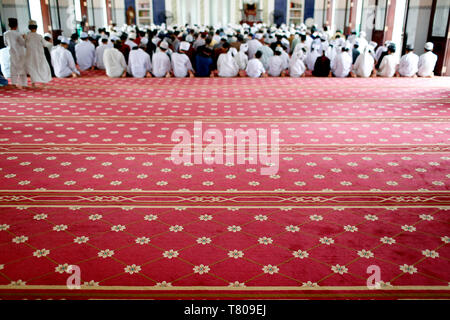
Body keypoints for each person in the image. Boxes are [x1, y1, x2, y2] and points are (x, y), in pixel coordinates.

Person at [25, 20, 52, 87]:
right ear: (36, 28)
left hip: (30, 55)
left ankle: (33, 84)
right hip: (39, 55)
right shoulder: (39, 36)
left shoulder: (27, 36)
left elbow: (24, 45)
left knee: (32, 68)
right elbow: (45, 44)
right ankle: (43, 83)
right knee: (42, 68)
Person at [3, 18, 27, 88]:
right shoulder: (18, 34)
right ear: (16, 25)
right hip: (20, 53)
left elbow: (6, 43)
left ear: (8, 25)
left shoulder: (6, 33)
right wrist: (24, 38)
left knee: (13, 69)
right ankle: (24, 84)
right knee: (22, 68)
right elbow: (22, 43)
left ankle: (13, 84)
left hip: (12, 53)